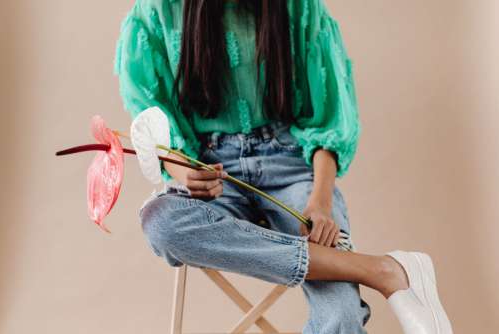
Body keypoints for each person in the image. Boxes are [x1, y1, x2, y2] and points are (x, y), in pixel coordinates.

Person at [114, 0, 453, 333]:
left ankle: (381, 270)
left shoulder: (300, 7)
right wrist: (184, 172)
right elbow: (155, 123)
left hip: (293, 167)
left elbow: (329, 121)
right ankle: (381, 269)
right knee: (162, 224)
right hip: (214, 171)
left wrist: (320, 203)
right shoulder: (156, 12)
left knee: (342, 316)